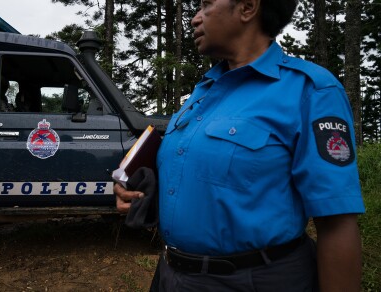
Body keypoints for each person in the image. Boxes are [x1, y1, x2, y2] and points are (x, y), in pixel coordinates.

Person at [114, 0, 365, 290]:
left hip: (254, 280)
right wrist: (141, 193)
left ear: (247, 7)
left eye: (206, 5)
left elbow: (337, 222)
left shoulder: (310, 90)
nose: (194, 19)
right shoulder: (203, 92)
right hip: (172, 276)